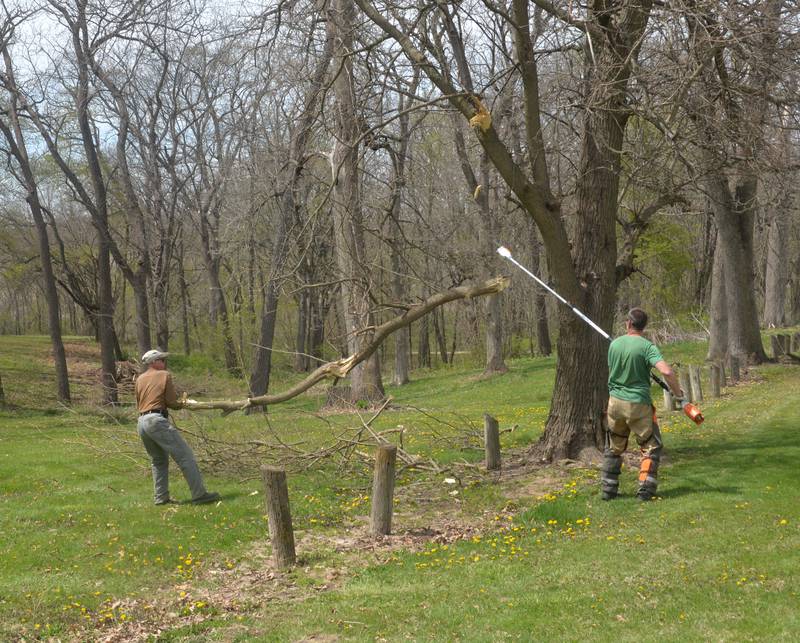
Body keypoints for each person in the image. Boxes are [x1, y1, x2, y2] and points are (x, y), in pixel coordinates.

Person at [601, 308, 684, 501]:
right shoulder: (647, 347)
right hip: (638, 404)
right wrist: (678, 394)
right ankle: (645, 490)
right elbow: (668, 372)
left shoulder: (614, 345)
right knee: (651, 446)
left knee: (614, 446)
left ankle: (608, 490)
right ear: (644, 327)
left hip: (614, 403)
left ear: (628, 323)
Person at [135, 349, 220, 505]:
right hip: (155, 420)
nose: (164, 362)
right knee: (185, 456)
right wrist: (183, 404)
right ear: (154, 362)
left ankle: (161, 498)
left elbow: (140, 401)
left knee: (158, 460)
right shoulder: (164, 375)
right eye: (161, 359)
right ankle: (199, 495)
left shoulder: (140, 379)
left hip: (141, 422)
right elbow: (172, 402)